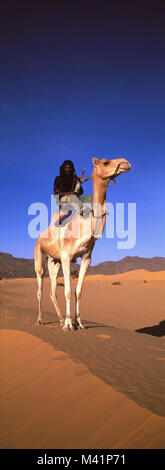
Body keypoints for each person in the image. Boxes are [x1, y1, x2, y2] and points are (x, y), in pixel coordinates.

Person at [53, 160, 84, 225]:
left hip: (74, 200)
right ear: (63, 168)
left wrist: (79, 183)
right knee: (73, 198)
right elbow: (56, 194)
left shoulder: (74, 179)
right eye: (66, 168)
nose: (68, 170)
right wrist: (71, 193)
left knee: (86, 200)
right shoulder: (58, 179)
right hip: (63, 200)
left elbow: (81, 192)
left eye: (70, 168)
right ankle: (82, 215)